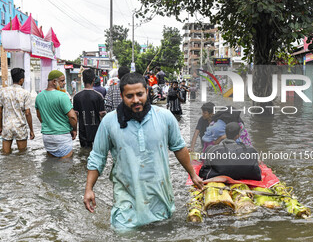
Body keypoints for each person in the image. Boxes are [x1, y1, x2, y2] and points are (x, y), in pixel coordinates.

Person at [84, 73, 203, 230]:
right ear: (121, 96)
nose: (136, 100)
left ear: (147, 92)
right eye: (129, 96)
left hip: (159, 194)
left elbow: (179, 147)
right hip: (126, 197)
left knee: (161, 231)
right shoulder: (109, 122)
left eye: (140, 94)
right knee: (123, 232)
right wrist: (89, 189)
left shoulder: (165, 117)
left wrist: (193, 175)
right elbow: (98, 157)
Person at [35, 70, 78, 158]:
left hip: (47, 137)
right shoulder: (62, 96)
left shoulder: (39, 96)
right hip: (62, 136)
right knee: (66, 166)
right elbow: (73, 117)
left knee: (50, 165)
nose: (64, 83)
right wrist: (74, 130)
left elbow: (39, 116)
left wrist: (49, 124)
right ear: (54, 82)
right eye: (62, 81)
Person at [0, 68, 35, 154]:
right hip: (20, 126)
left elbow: (0, 112)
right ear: (21, 80)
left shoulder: (3, 92)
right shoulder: (25, 93)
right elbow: (27, 113)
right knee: (22, 154)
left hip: (7, 126)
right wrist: (31, 130)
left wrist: (0, 126)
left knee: (5, 154)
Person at [73, 69, 106, 148]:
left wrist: (73, 129)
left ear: (83, 80)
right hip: (96, 132)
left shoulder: (77, 96)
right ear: (93, 79)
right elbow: (102, 114)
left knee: (84, 154)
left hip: (83, 132)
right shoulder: (99, 96)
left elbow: (75, 115)